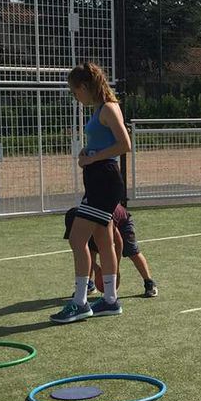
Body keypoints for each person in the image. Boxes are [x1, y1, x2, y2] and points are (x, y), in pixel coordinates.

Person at [51, 62, 131, 323]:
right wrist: (89, 151)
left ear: (85, 86)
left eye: (75, 92)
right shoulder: (101, 108)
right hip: (100, 179)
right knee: (104, 240)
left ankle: (80, 302)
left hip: (104, 181)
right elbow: (105, 143)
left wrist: (93, 156)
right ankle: (109, 299)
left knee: (77, 239)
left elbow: (124, 144)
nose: (75, 97)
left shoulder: (107, 108)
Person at [63, 204, 158, 298]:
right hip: (98, 221)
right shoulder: (71, 219)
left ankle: (149, 283)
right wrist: (97, 269)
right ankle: (87, 286)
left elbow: (118, 243)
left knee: (132, 252)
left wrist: (115, 269)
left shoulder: (98, 216)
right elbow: (77, 249)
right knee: (89, 250)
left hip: (122, 223)